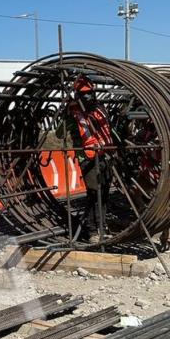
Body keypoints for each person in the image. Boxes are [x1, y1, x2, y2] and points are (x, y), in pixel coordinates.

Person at [66, 74, 115, 240]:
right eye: (83, 93)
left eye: (89, 92)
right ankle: (93, 231)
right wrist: (69, 116)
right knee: (94, 192)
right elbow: (60, 133)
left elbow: (108, 129)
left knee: (104, 192)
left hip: (105, 155)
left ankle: (101, 226)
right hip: (87, 158)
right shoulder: (73, 114)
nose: (87, 96)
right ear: (77, 95)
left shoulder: (100, 110)